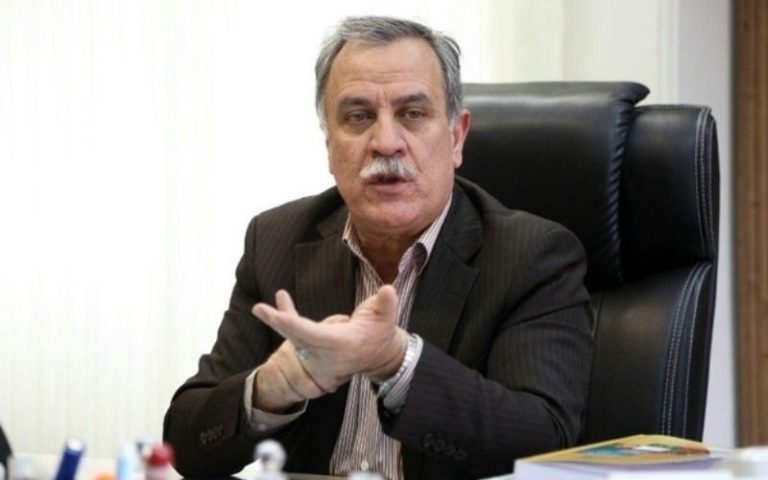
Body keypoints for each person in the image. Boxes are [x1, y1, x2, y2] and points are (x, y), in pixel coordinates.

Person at [163, 15, 593, 480]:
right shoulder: (277, 240)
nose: (386, 142)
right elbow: (184, 446)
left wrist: (395, 361)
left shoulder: (532, 257)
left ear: (456, 137)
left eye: (413, 114)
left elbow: (542, 443)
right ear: (329, 146)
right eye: (358, 117)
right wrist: (270, 388)